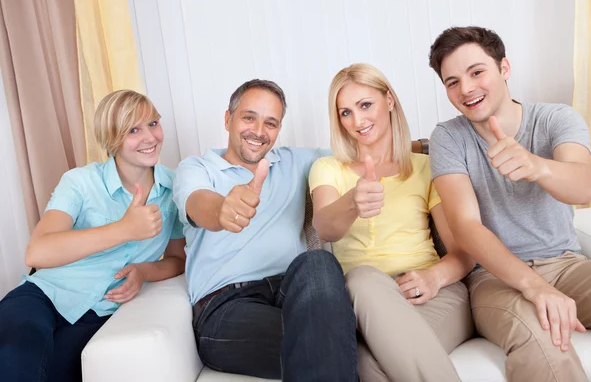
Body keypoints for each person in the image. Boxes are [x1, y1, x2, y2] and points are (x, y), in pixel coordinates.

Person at [428, 26, 591, 382]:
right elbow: (466, 227)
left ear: (504, 68)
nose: (467, 89)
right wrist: (533, 286)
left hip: (566, 263)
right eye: (452, 82)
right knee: (545, 339)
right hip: (495, 278)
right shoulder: (448, 137)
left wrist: (538, 166)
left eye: (477, 72)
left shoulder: (556, 119)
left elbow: (584, 189)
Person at [173, 79, 357, 381]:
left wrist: (426, 146)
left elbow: (362, 148)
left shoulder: (295, 162)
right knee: (330, 338)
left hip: (293, 291)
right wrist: (222, 210)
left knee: (319, 262)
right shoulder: (196, 169)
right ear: (228, 119)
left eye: (270, 123)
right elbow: (198, 204)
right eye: (249, 118)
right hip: (226, 306)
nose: (259, 131)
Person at [0, 90, 186, 382]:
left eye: (153, 123)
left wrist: (144, 271)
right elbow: (37, 253)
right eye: (134, 130)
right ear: (112, 138)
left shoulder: (174, 188)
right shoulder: (80, 182)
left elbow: (177, 259)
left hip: (99, 313)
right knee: (15, 355)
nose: (150, 137)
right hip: (43, 296)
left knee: (57, 372)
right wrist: (123, 229)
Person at [309, 63, 475, 382]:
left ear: (389, 100)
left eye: (365, 105)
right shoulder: (327, 168)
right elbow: (325, 228)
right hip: (363, 297)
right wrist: (352, 201)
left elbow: (463, 251)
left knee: (371, 367)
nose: (357, 121)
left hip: (434, 292)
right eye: (345, 113)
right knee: (362, 279)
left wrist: (434, 278)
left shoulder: (427, 167)